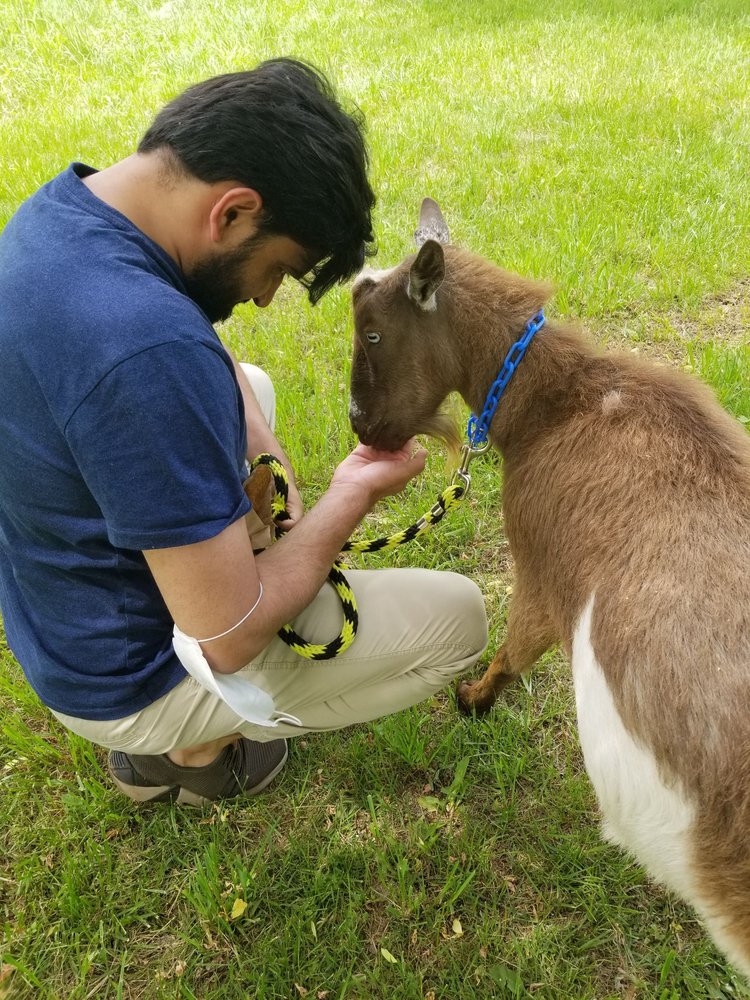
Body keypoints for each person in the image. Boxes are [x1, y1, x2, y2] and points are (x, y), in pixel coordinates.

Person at [0, 58, 488, 806]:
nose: (262, 298)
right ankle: (190, 748)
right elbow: (225, 636)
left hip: (58, 612)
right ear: (233, 212)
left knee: (247, 383)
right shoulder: (146, 350)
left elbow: (213, 359)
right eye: (280, 269)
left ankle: (186, 704)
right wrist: (351, 492)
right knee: (461, 620)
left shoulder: (67, 213)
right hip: (126, 675)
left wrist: (262, 446)